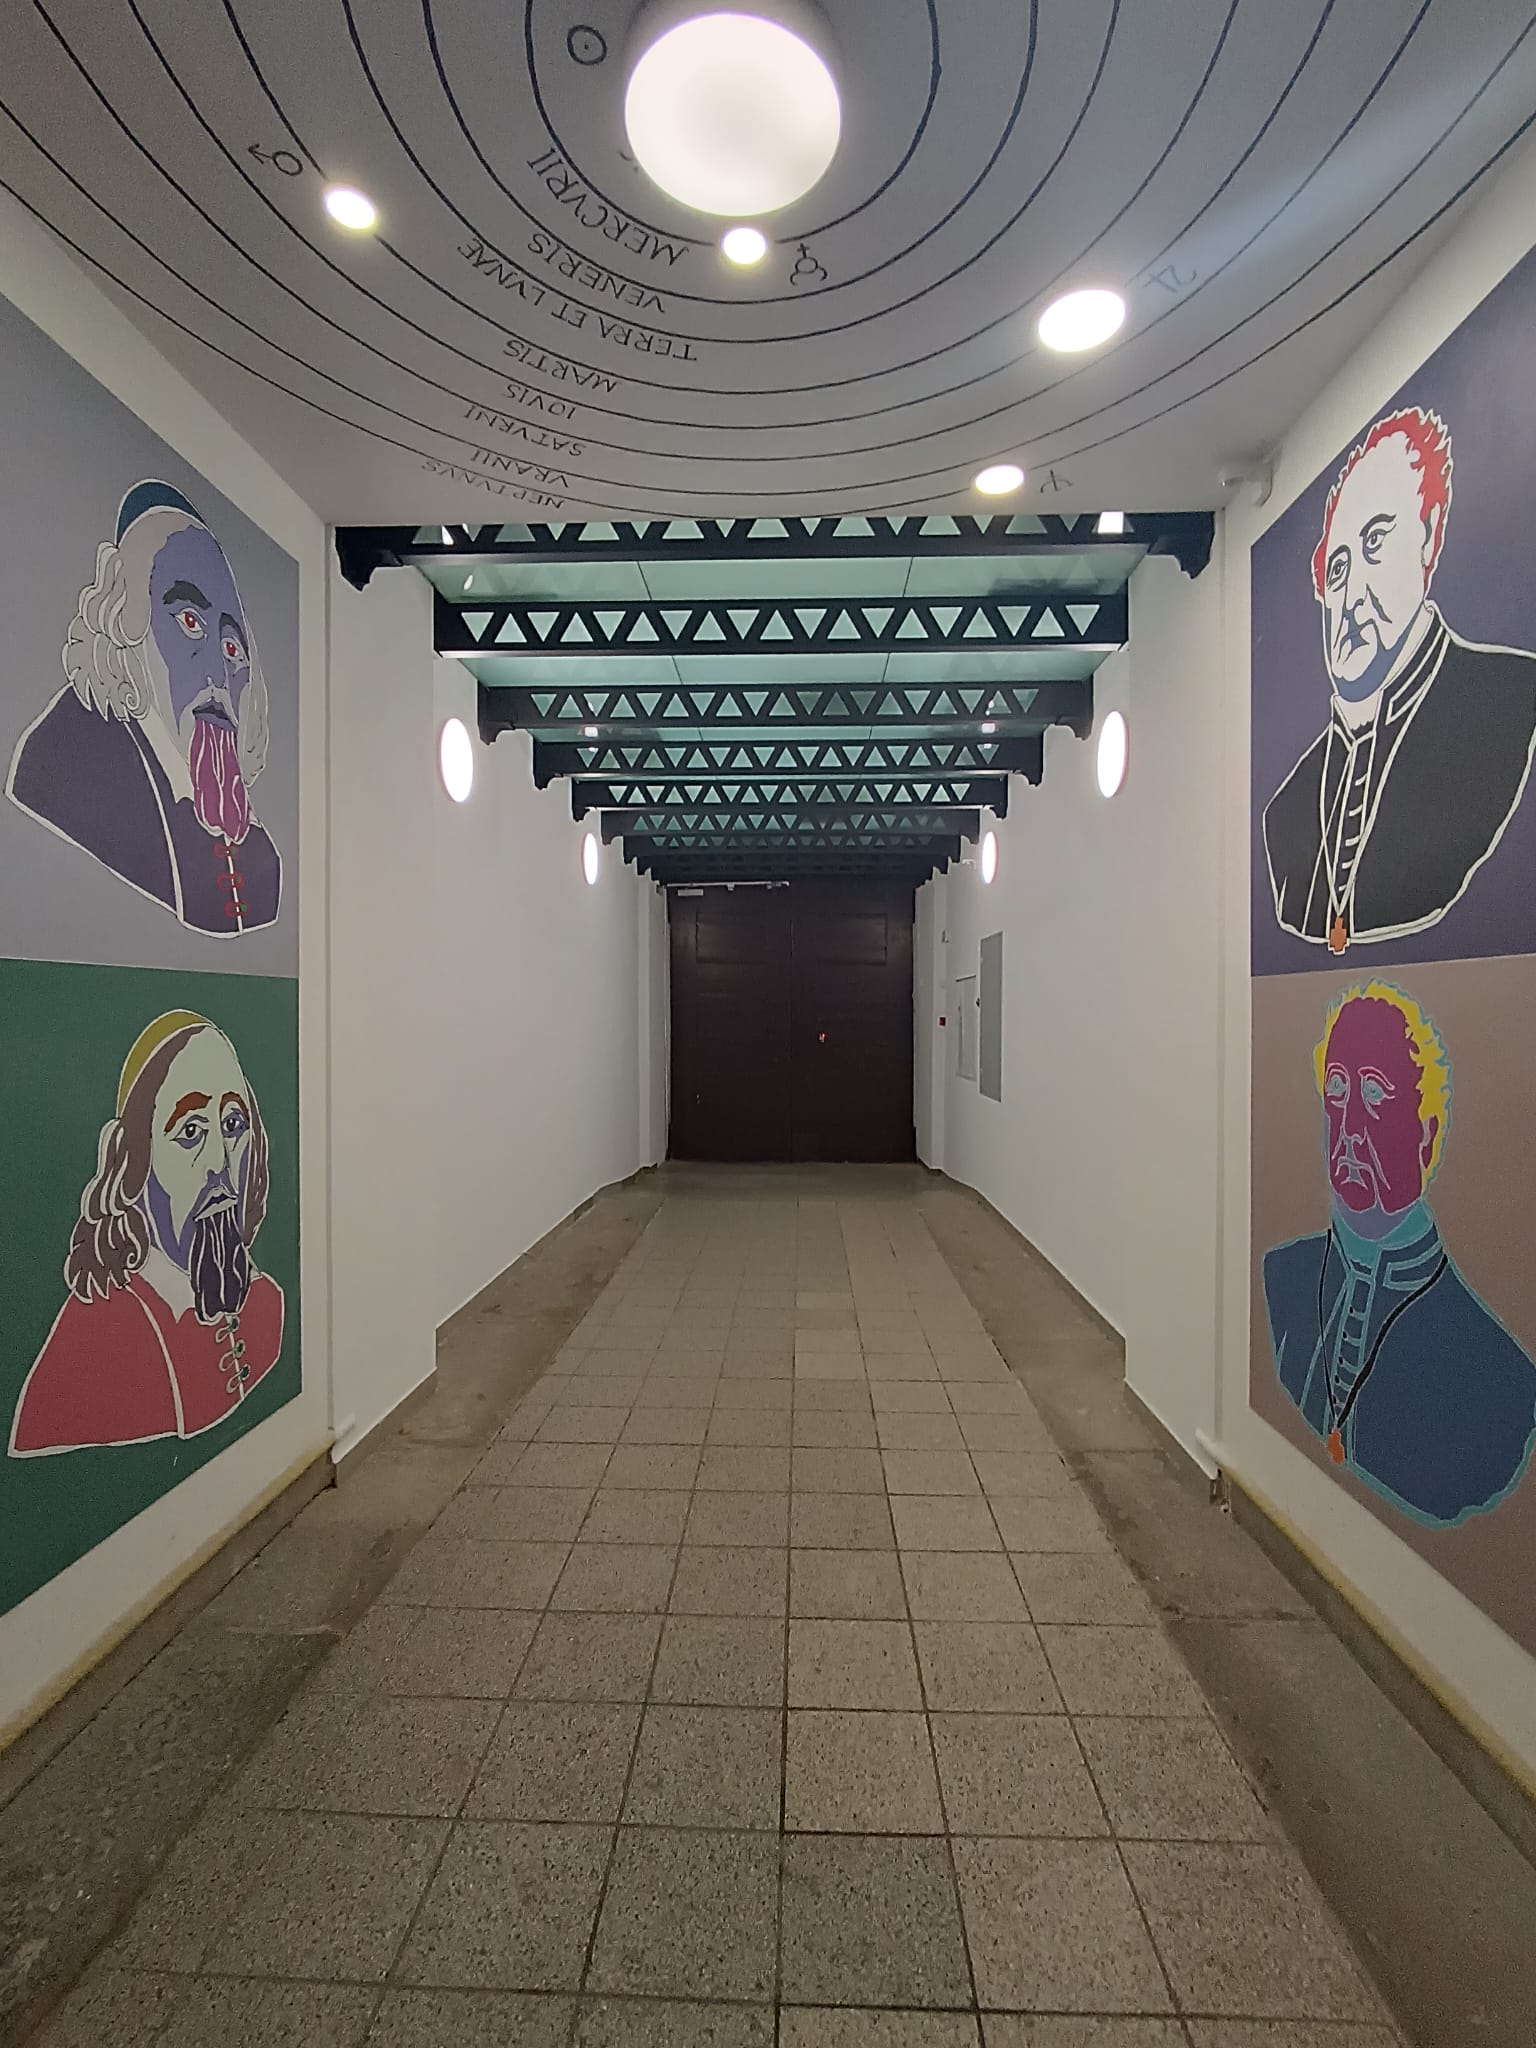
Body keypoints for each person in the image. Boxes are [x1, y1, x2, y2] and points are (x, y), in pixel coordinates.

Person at [1261, 409, 1536, 952]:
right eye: (1337, 570)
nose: (1351, 596)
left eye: (1376, 542)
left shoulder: (1508, 701)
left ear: (1428, 538)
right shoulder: (1285, 811)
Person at [1263, 981, 1536, 1525]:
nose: (1349, 1128)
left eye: (1375, 1093)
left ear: (1427, 1135)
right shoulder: (1284, 1275)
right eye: (1337, 1090)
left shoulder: (1501, 1385)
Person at [7, 481, 281, 934]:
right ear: (125, 618)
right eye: (190, 622)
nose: (217, 674)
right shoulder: (58, 764)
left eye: (232, 648)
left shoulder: (257, 846)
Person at [9, 1011, 284, 1455]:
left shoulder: (266, 1303)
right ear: (133, 1162)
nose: (219, 1162)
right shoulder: (91, 1348)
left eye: (233, 1125)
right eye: (191, 1131)